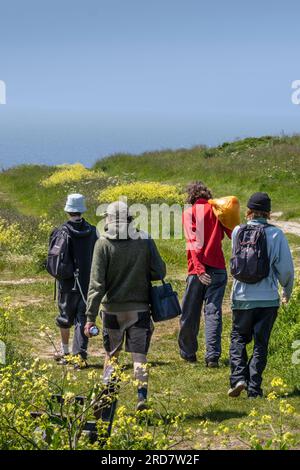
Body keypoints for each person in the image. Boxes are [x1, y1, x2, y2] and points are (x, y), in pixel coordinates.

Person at [84, 201, 166, 411]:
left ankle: (106, 398)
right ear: (130, 219)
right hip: (139, 309)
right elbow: (160, 272)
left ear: (109, 220)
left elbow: (96, 284)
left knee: (112, 355)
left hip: (111, 310)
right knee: (139, 356)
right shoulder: (144, 240)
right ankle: (141, 398)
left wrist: (89, 318)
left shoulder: (103, 244)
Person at [228, 192, 294, 398]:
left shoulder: (237, 231)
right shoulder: (277, 235)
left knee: (238, 338)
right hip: (267, 299)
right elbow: (286, 269)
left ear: (248, 211)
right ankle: (254, 388)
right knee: (260, 343)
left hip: (241, 297)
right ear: (268, 213)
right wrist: (286, 289)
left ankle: (239, 378)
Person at [178, 181, 232, 366]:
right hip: (217, 267)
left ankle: (188, 353)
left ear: (191, 197)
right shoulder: (217, 210)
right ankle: (212, 356)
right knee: (213, 312)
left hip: (197, 270)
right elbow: (232, 233)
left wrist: (200, 270)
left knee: (189, 313)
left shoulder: (189, 213)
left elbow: (192, 242)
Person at [49, 193, 98, 368]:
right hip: (87, 283)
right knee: (83, 318)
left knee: (64, 318)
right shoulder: (93, 231)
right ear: (82, 210)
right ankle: (80, 356)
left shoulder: (61, 231)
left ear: (68, 210)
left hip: (68, 283)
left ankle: (65, 352)